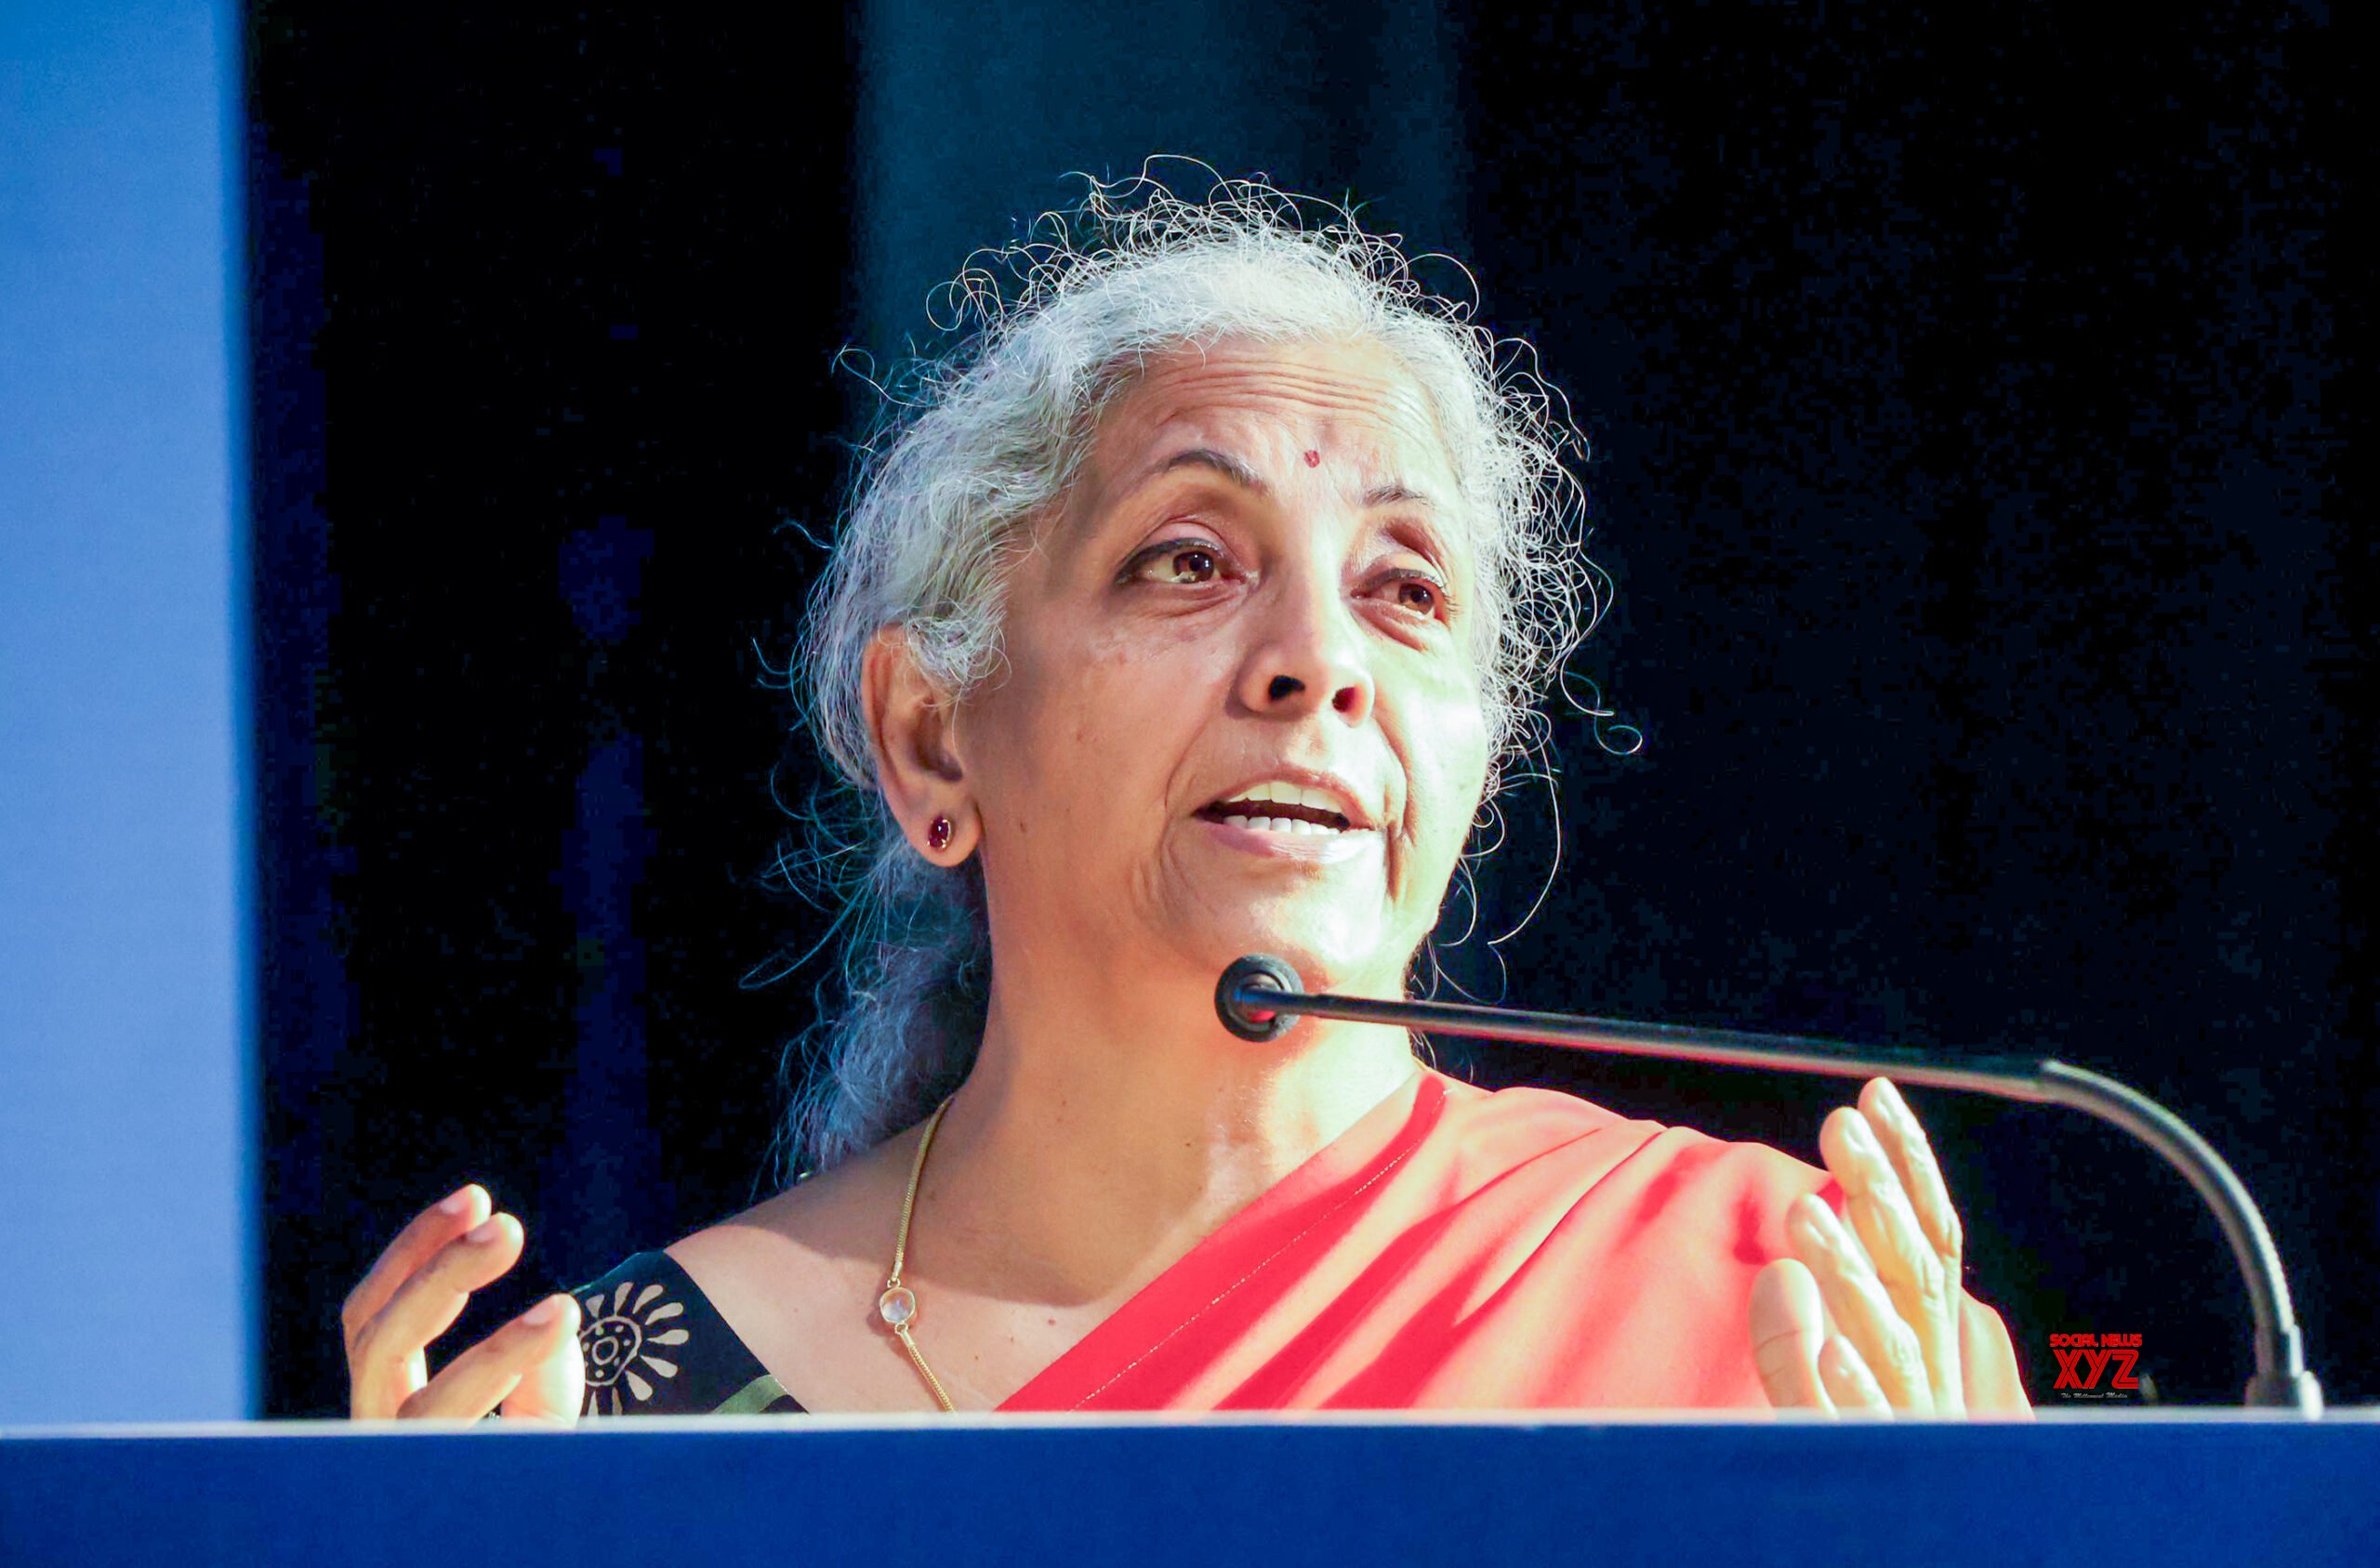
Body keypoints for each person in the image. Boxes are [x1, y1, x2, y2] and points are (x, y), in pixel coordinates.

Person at [340, 169, 2030, 1424]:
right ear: (933, 738)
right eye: (1191, 560)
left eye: (1405, 589)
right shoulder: (628, 1399)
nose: (1320, 664)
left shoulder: (1780, 1303)